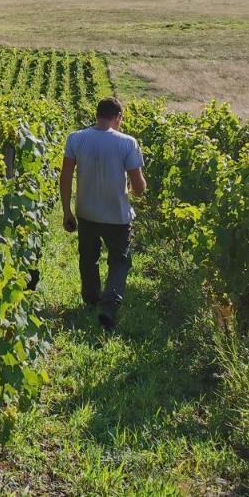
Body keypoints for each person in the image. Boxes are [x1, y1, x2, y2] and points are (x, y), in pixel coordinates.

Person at [60, 96, 146, 331]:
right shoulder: (127, 143)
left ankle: (90, 301)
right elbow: (139, 188)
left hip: (86, 212)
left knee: (88, 257)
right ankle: (108, 306)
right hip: (117, 216)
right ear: (117, 117)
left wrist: (67, 211)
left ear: (97, 115)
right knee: (120, 260)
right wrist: (137, 188)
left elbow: (65, 177)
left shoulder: (76, 139)